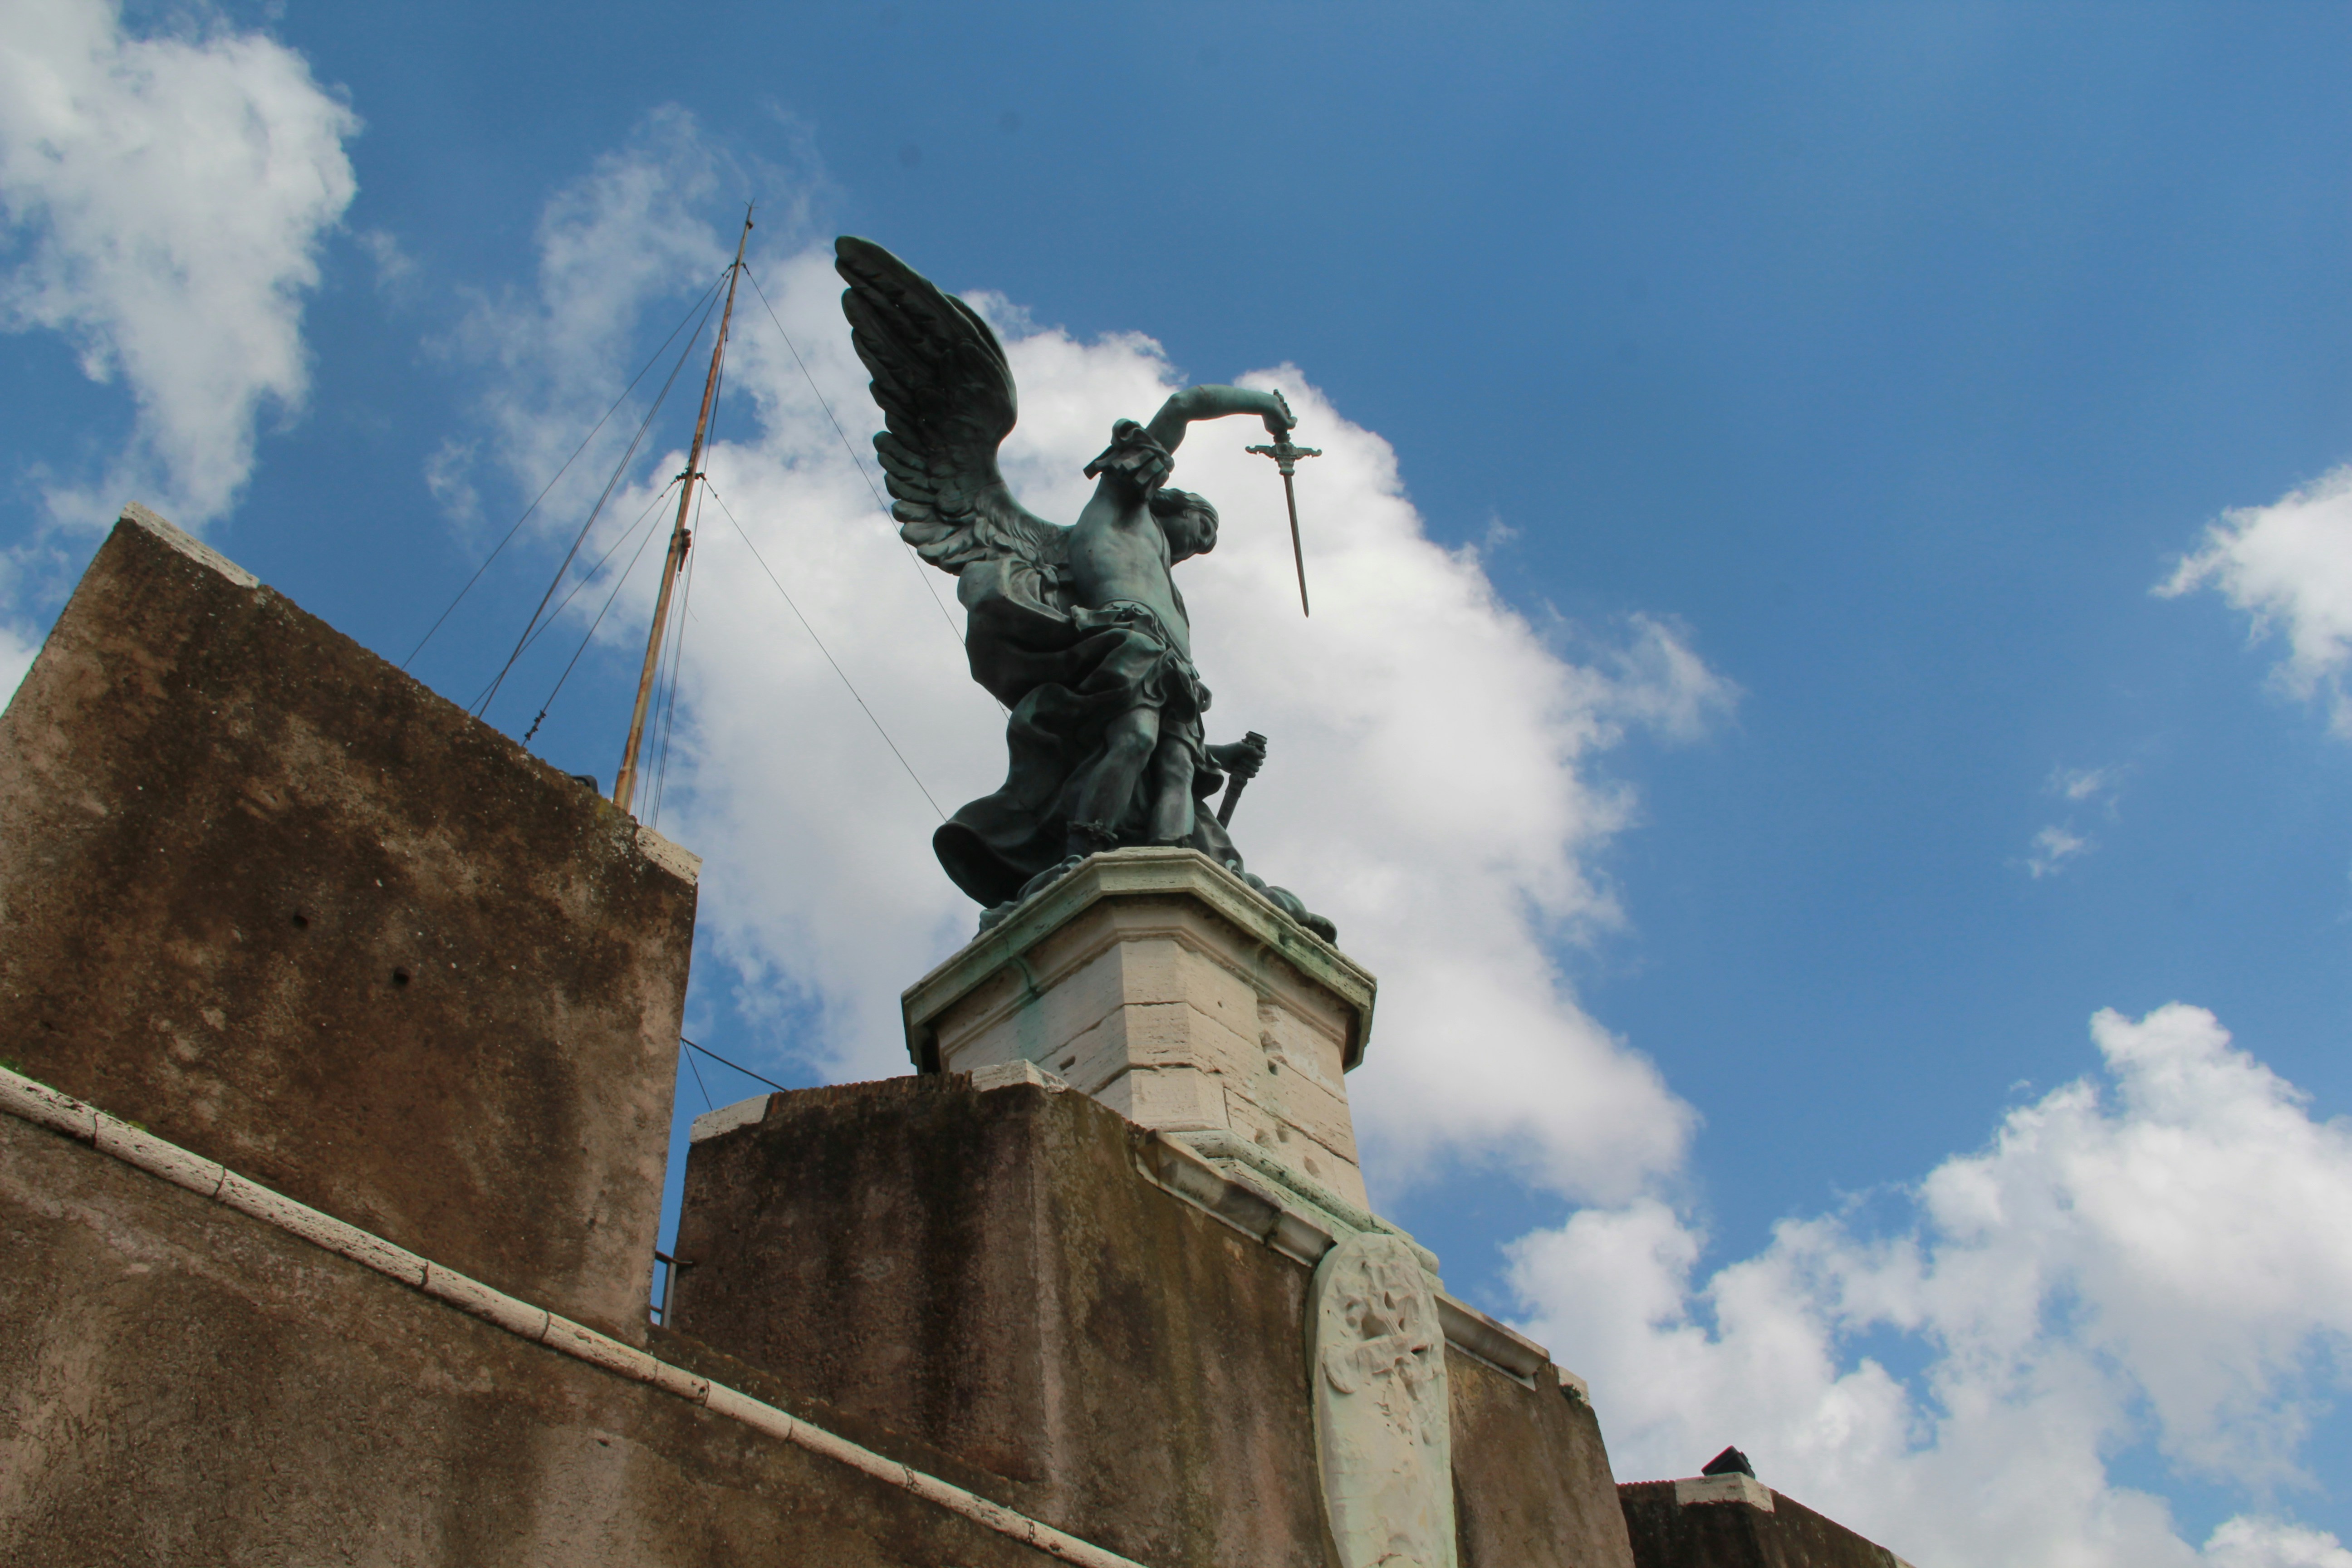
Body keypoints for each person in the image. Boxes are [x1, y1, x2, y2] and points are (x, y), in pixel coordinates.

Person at [935, 386, 1334, 936]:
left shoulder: (1171, 591)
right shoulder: (1120, 509)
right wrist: (1259, 407)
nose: (1204, 544)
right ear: (1174, 505)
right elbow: (1182, 405)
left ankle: (1174, 862)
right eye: (1204, 526)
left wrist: (1222, 753)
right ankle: (1085, 849)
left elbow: (1188, 759)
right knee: (1134, 740)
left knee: (1176, 767)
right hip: (1127, 643)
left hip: (1174, 671)